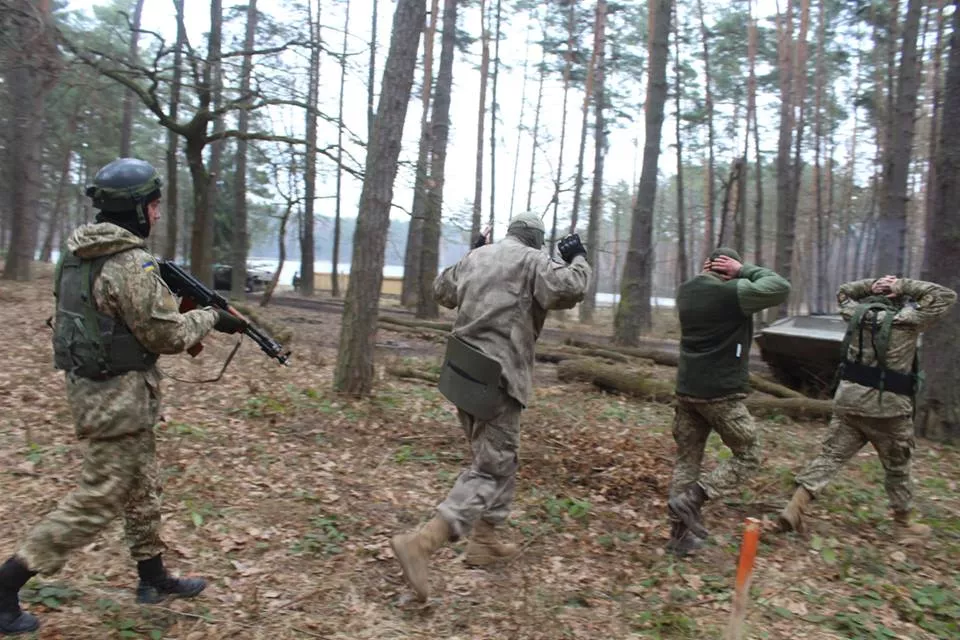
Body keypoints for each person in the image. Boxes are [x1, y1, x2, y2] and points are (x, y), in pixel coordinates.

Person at [0, 158, 248, 636]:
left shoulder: (78, 255)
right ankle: (7, 582)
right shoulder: (129, 264)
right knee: (98, 498)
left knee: (141, 487)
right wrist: (213, 318)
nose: (156, 215)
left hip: (102, 391)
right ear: (134, 209)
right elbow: (166, 336)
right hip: (116, 399)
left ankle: (152, 580)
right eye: (152, 206)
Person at [390, 211, 592, 601]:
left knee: (500, 458)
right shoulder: (532, 260)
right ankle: (423, 544)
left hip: (462, 373)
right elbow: (570, 288)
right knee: (491, 469)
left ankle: (485, 540)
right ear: (535, 239)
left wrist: (474, 252)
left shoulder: (477, 257)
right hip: (497, 378)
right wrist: (578, 257)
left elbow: (442, 290)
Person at [777, 275, 956, 537]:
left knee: (831, 457)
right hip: (888, 409)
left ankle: (794, 507)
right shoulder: (905, 321)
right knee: (897, 466)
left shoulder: (853, 314)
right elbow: (945, 296)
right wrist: (901, 285)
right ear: (896, 299)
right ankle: (903, 523)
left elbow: (843, 290)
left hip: (849, 402)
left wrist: (871, 285)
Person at [666, 248, 791, 556]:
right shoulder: (731, 292)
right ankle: (695, 498)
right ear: (727, 270)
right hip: (720, 392)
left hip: (687, 390)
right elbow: (780, 287)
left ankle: (680, 538)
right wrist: (744, 269)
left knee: (686, 462)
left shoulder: (686, 292)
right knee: (749, 454)